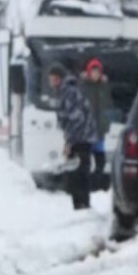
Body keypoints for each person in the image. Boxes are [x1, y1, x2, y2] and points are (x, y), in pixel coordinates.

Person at [47, 64, 99, 210]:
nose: (51, 83)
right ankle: (81, 204)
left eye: (53, 79)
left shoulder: (68, 92)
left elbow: (76, 118)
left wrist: (69, 142)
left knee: (78, 173)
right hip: (81, 137)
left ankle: (81, 205)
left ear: (59, 79)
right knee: (78, 173)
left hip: (81, 138)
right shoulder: (66, 91)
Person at [80, 58, 113, 176]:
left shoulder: (104, 87)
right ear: (89, 72)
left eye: (97, 72)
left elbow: (108, 106)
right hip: (85, 130)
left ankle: (97, 182)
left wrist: (106, 124)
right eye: (93, 71)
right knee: (85, 159)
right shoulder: (83, 86)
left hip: (99, 129)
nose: (95, 74)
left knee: (100, 160)